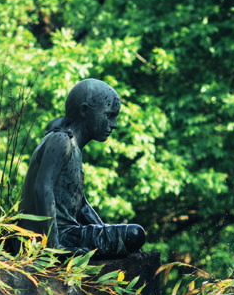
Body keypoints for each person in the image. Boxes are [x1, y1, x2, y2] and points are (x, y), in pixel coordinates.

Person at [20, 78, 145, 257]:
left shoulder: (75, 148)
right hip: (47, 238)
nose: (114, 124)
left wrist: (105, 230)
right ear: (85, 110)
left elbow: (82, 206)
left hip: (69, 234)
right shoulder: (61, 140)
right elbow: (42, 189)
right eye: (109, 115)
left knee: (131, 236)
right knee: (135, 234)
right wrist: (53, 247)